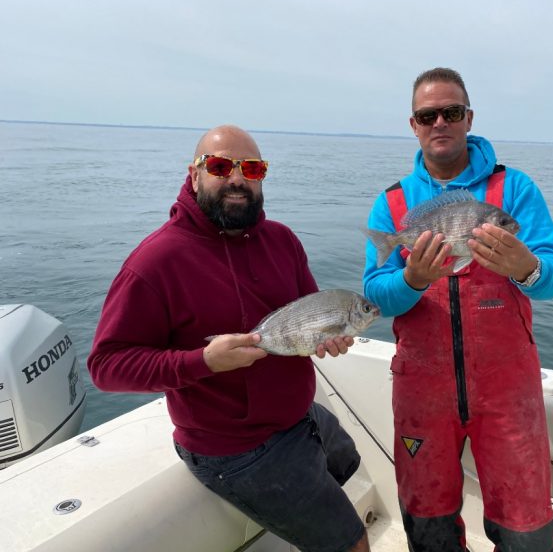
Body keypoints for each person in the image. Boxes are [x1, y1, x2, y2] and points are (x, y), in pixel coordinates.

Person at [88, 125, 370, 552]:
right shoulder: (156, 262)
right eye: (221, 166)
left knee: (348, 467)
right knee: (352, 542)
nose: (237, 178)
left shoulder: (283, 241)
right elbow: (106, 368)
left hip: (298, 418)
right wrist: (203, 362)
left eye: (252, 168)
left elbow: (310, 316)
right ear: (195, 173)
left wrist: (327, 339)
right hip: (235, 449)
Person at [363, 68, 553, 551]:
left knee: (528, 527)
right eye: (427, 115)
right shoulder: (392, 203)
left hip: (508, 390)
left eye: (451, 112)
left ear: (468, 118)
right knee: (427, 519)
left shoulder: (514, 190)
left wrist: (526, 267)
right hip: (421, 390)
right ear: (413, 124)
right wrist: (413, 279)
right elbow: (375, 293)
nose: (440, 122)